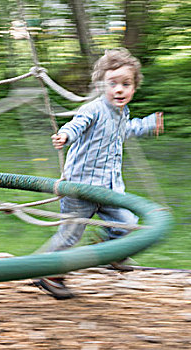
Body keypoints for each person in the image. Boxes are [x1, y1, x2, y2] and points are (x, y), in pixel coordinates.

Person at [34, 48, 164, 299]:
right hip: (80, 189)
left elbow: (126, 130)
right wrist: (65, 135)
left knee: (127, 223)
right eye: (112, 84)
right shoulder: (93, 109)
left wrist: (148, 124)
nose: (119, 89)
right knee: (70, 235)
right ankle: (49, 273)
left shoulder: (121, 113)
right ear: (100, 85)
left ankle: (111, 250)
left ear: (134, 88)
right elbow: (77, 124)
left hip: (109, 188)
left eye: (126, 84)